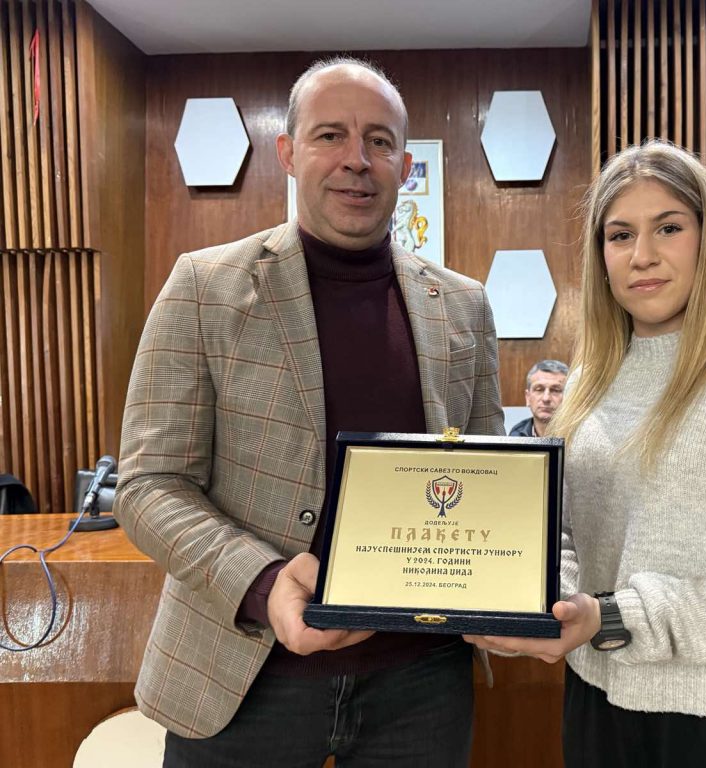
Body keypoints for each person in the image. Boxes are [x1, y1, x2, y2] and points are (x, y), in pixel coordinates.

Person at [115, 56, 504, 767]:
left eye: (379, 141)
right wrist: (263, 584)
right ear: (289, 154)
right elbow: (147, 486)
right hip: (241, 676)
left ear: (405, 166)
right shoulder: (203, 287)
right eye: (331, 136)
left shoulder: (464, 304)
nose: (357, 159)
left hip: (421, 686)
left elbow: (487, 477)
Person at [466, 140, 706, 768]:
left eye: (668, 228)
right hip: (599, 702)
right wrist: (541, 604)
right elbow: (568, 539)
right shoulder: (588, 382)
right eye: (620, 235)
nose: (642, 255)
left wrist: (614, 618)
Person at [508, 359, 568, 437]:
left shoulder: (579, 436)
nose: (546, 398)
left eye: (555, 390)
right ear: (528, 397)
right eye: (539, 389)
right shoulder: (516, 435)